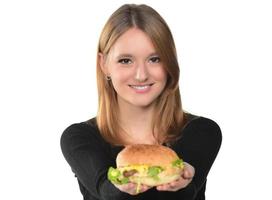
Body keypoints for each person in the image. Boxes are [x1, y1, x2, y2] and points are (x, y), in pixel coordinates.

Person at [60, 4, 222, 200]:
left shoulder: (202, 131)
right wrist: (123, 184)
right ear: (104, 64)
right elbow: (106, 192)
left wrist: (184, 179)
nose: (141, 75)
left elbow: (184, 195)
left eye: (154, 59)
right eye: (126, 60)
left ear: (170, 63)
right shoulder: (79, 137)